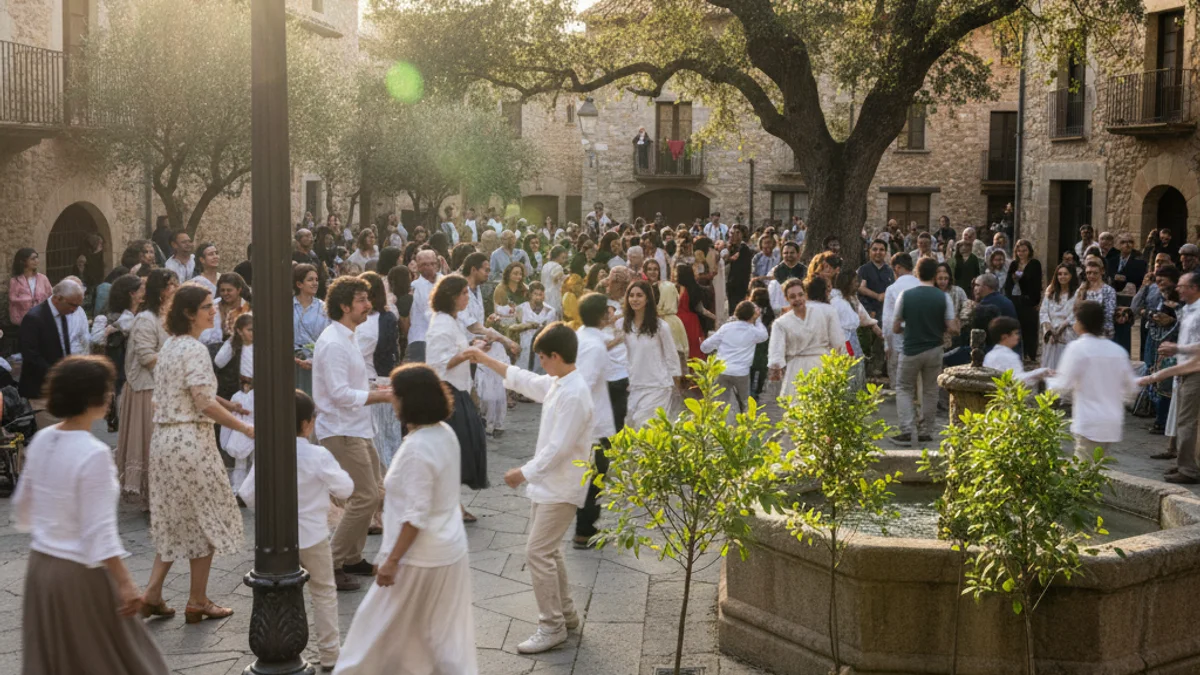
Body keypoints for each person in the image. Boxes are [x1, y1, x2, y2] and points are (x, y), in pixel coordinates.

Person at [15, 356, 170, 675]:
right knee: (122, 660)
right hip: (80, 573)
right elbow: (99, 532)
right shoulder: (94, 453)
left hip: (40, 568)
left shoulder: (43, 439)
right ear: (95, 397)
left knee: (58, 661)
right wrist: (125, 582)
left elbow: (24, 507)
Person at [335, 365, 477, 673]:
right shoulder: (443, 432)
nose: (391, 400)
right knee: (437, 638)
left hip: (420, 558)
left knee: (371, 637)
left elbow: (416, 515)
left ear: (408, 401)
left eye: (394, 395)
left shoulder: (418, 447)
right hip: (448, 551)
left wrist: (391, 561)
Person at [466, 323, 593, 654]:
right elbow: (522, 378)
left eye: (542, 357)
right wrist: (483, 358)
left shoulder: (574, 393)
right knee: (548, 551)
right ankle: (565, 616)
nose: (540, 363)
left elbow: (559, 449)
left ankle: (551, 625)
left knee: (538, 552)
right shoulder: (558, 382)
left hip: (562, 486)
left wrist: (522, 472)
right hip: (551, 484)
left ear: (555, 356)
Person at [139, 285, 251, 624]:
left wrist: (226, 403)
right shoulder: (196, 349)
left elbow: (187, 393)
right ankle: (198, 600)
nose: (213, 311)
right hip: (191, 441)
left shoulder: (170, 346)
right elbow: (201, 401)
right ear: (189, 313)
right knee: (206, 517)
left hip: (164, 440)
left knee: (175, 518)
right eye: (206, 307)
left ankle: (153, 594)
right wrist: (245, 428)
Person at [239, 390, 352, 672]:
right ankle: (330, 654)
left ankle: (280, 645)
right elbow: (346, 488)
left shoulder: (268, 452)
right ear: (307, 423)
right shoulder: (318, 454)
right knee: (324, 592)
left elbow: (247, 493)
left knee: (276, 595)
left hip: (276, 540)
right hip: (313, 537)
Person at [312, 276, 393, 591]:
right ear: (344, 306)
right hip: (340, 430)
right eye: (361, 300)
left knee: (374, 492)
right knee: (365, 496)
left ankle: (352, 558)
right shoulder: (332, 342)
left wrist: (378, 387)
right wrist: (381, 396)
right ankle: (331, 562)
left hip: (358, 427)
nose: (368, 305)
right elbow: (339, 394)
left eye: (367, 299)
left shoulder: (348, 337)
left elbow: (354, 386)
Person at [425, 274, 490, 519]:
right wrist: (469, 352)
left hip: (459, 388)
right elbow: (440, 364)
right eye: (463, 293)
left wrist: (473, 347)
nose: (467, 297)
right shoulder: (441, 324)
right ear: (452, 296)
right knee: (456, 450)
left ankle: (452, 504)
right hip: (448, 391)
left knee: (462, 449)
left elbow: (457, 351)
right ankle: (449, 506)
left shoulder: (452, 320)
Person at [1049, 301, 1139, 462]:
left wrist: (1044, 381)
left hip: (1089, 421)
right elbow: (1131, 388)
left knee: (1082, 475)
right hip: (1112, 422)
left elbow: (1062, 386)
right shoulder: (1117, 350)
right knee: (1096, 469)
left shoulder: (1077, 348)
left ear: (1080, 322)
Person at [892, 257, 958, 446]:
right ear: (935, 275)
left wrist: (910, 326)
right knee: (930, 390)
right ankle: (926, 430)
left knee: (904, 388)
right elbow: (951, 326)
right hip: (934, 348)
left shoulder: (905, 295)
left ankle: (906, 430)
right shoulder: (943, 297)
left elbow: (895, 327)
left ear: (916, 272)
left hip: (911, 348)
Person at [572, 293, 617, 550]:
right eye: (609, 311)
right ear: (602, 315)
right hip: (594, 423)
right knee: (596, 474)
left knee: (595, 473)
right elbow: (585, 385)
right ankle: (584, 528)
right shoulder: (594, 345)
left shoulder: (583, 337)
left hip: (592, 420)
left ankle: (587, 525)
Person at [617, 280, 683, 427]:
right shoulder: (622, 325)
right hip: (632, 386)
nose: (635, 299)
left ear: (647, 298)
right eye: (631, 295)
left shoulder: (660, 327)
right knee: (630, 427)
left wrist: (676, 384)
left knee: (646, 428)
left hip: (657, 386)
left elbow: (671, 356)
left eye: (639, 295)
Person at [768, 277, 846, 399]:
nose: (797, 299)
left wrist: (840, 365)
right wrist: (776, 368)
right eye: (792, 297)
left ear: (805, 295)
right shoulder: (780, 323)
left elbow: (838, 342)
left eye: (800, 295)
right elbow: (776, 352)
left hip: (821, 364)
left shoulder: (825, 313)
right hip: (797, 367)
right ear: (786, 299)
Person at [18, 279, 85, 417]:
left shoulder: (64, 314)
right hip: (41, 389)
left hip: (60, 388)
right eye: (73, 305)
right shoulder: (34, 318)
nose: (75, 310)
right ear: (57, 298)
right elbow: (30, 355)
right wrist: (56, 373)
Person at [701, 300, 769, 420]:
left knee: (720, 403)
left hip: (722, 369)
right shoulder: (753, 331)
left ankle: (718, 426)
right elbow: (764, 335)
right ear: (752, 315)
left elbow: (705, 347)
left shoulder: (726, 328)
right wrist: (758, 320)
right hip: (741, 372)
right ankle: (746, 425)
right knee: (745, 402)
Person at [881, 253, 920, 388]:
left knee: (900, 383)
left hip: (899, 339)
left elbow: (887, 319)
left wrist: (886, 344)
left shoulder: (892, 289)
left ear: (897, 268)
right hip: (922, 339)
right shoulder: (922, 285)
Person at [1107, 232, 1147, 354]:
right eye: (1123, 242)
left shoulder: (1139, 262)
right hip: (1113, 299)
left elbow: (1140, 281)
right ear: (1118, 245)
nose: (1127, 245)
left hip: (1129, 300)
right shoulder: (1111, 260)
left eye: (1130, 242)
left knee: (1125, 331)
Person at [1003, 239, 1043, 361]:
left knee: (1029, 328)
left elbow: (1035, 283)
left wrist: (1021, 279)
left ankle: (1030, 354)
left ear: (1029, 251)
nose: (1021, 253)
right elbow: (1008, 283)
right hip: (1015, 299)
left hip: (1028, 301)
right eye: (1019, 251)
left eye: (1024, 250)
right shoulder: (1014, 264)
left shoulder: (1034, 264)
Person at [292, 264, 329, 396]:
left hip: (316, 362)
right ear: (299, 284)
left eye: (316, 279)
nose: (315, 283)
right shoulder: (287, 306)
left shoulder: (324, 308)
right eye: (310, 280)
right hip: (292, 364)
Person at [982, 316, 1049, 385]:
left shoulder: (989, 355)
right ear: (1004, 337)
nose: (1017, 337)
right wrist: (1041, 372)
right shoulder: (1009, 356)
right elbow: (1017, 380)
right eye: (1015, 333)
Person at [1040, 264, 1078, 371]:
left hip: (1068, 335)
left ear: (1071, 276)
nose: (1062, 277)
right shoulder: (1051, 293)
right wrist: (1049, 330)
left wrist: (1061, 329)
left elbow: (1075, 314)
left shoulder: (1077, 294)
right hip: (1051, 336)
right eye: (1060, 274)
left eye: (1066, 274)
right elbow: (1043, 312)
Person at [513, 282, 558, 372]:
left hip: (542, 349)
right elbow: (514, 328)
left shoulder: (551, 311)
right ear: (530, 295)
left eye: (540, 294)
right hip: (524, 348)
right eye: (535, 294)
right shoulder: (521, 309)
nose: (538, 297)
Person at [8, 247, 52, 325]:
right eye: (32, 259)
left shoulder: (43, 278)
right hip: (23, 321)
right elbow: (13, 299)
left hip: (41, 319)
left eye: (37, 258)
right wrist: (29, 300)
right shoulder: (15, 281)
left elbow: (50, 296)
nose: (36, 261)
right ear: (23, 261)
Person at [1076, 259, 1117, 338]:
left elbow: (1109, 313)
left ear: (1102, 272)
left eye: (1095, 273)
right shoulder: (1083, 289)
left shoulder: (1108, 290)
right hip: (1084, 331)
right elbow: (1076, 308)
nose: (1091, 276)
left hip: (1103, 332)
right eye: (1088, 273)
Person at [725, 225, 754, 316]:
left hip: (739, 284)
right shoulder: (731, 248)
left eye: (738, 233)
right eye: (732, 233)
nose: (734, 236)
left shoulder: (743, 249)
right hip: (731, 284)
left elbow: (743, 270)